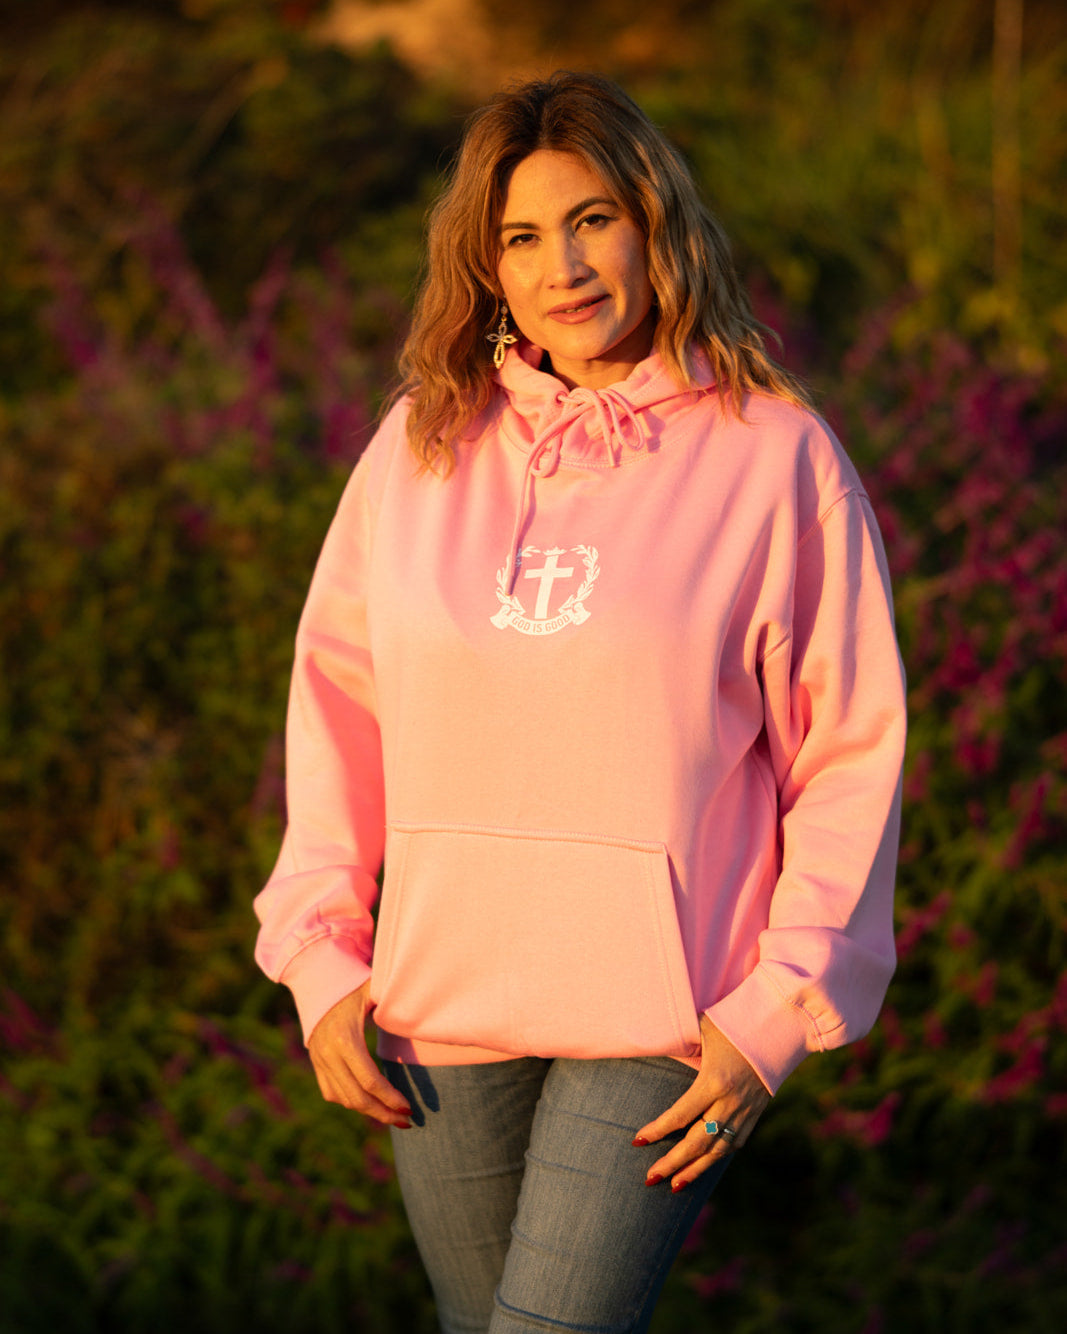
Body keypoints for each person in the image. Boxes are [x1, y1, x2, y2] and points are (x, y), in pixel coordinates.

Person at [254, 71, 906, 1334]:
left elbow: (848, 751)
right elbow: (339, 707)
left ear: (655, 223)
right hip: (438, 997)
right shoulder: (418, 447)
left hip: (662, 1017)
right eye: (520, 235)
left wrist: (775, 1005)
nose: (564, 265)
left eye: (592, 218)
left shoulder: (771, 454)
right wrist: (320, 955)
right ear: (485, 267)